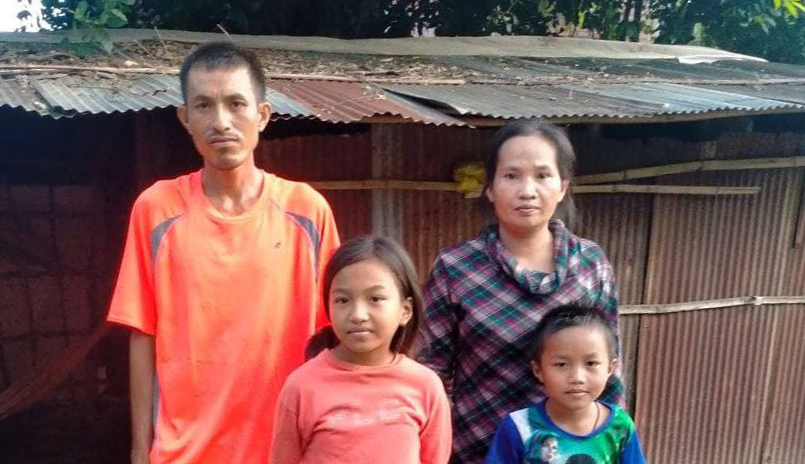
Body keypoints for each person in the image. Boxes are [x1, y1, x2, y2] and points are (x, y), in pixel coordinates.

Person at [106, 42, 340, 464]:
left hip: (286, 449)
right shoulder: (156, 209)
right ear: (185, 119)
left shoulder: (307, 210)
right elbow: (142, 336)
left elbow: (335, 339)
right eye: (204, 105)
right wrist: (140, 450)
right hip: (183, 453)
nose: (221, 122)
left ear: (262, 115)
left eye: (236, 104)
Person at [415, 120, 622, 464]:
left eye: (542, 175)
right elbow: (430, 373)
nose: (527, 190)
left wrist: (611, 443)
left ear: (562, 187)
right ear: (491, 188)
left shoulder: (591, 265)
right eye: (511, 176)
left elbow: (611, 374)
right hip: (477, 451)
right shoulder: (457, 268)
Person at [270, 236, 452, 464]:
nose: (357, 315)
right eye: (343, 300)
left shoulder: (425, 386)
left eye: (375, 298)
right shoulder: (302, 387)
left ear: (405, 310)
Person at [485, 305, 645, 464]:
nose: (577, 378)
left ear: (610, 368)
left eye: (591, 363)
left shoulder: (620, 427)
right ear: (538, 370)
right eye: (561, 365)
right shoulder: (519, 427)